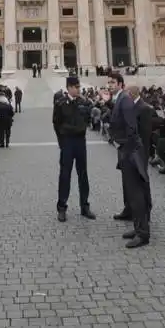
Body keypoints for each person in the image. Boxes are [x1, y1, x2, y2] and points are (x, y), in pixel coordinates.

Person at [107, 72, 149, 248]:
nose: (109, 85)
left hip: (130, 152)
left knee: (136, 193)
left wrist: (121, 144)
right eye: (108, 82)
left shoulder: (124, 100)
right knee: (132, 193)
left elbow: (131, 128)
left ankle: (143, 234)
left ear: (121, 84)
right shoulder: (120, 99)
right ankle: (137, 227)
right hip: (128, 150)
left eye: (112, 82)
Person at [53, 75, 95, 222]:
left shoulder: (83, 102)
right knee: (65, 175)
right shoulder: (60, 103)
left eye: (79, 87)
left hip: (80, 141)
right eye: (76, 87)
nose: (78, 89)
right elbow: (56, 123)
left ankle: (85, 206)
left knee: (83, 174)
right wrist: (62, 142)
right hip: (67, 142)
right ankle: (62, 207)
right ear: (69, 88)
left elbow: (88, 118)